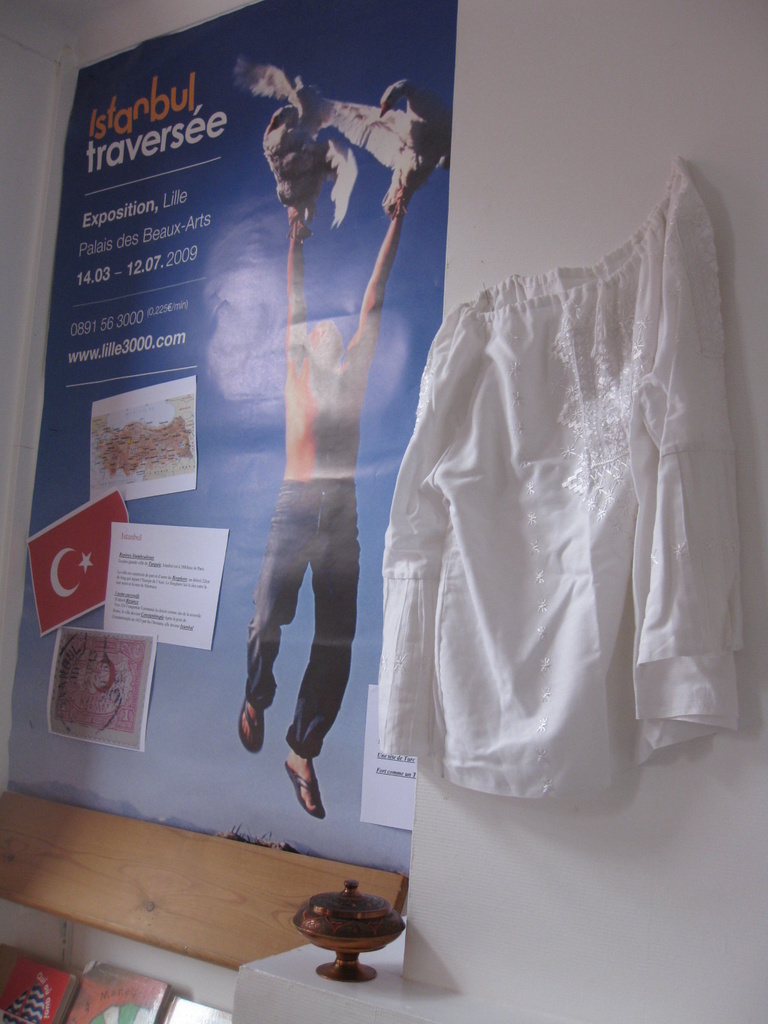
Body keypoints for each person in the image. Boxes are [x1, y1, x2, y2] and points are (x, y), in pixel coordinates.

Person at [239, 206, 405, 817]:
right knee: (266, 614)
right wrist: (293, 237)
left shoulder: (353, 373)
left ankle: (301, 752)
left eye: (332, 329)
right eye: (316, 330)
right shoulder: (296, 374)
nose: (324, 329)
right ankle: (256, 695)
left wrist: (397, 217)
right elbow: (294, 300)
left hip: (341, 514)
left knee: (336, 640)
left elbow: (374, 297)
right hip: (294, 502)